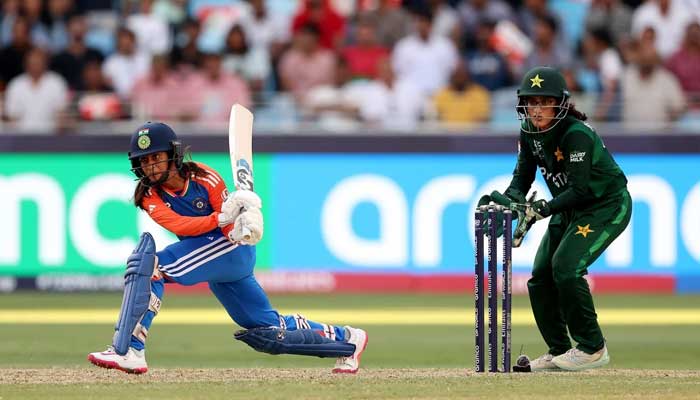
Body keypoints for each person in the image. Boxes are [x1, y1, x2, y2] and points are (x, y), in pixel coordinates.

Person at [87, 122, 368, 374]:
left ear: (173, 155)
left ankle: (130, 349)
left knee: (149, 266)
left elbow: (227, 232)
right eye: (144, 161)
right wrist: (222, 217)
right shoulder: (148, 195)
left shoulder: (205, 178)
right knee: (267, 329)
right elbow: (180, 225)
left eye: (156, 158)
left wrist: (243, 224)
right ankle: (347, 340)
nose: (150, 166)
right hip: (211, 257)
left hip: (231, 250)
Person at [479, 66, 631, 371]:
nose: (537, 110)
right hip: (569, 208)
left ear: (559, 103)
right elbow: (522, 177)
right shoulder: (529, 131)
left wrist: (543, 209)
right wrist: (511, 203)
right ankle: (559, 350)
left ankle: (592, 347)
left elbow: (581, 189)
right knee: (540, 276)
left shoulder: (576, 134)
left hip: (605, 205)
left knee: (567, 268)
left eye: (544, 102)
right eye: (531, 103)